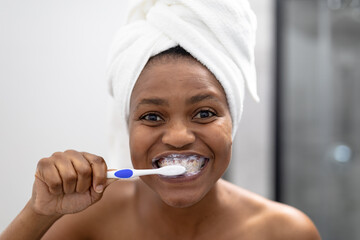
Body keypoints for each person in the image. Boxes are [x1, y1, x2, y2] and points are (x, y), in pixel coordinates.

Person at [1, 1, 321, 239]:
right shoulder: (83, 221)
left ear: (232, 123)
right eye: (152, 116)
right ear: (127, 126)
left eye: (205, 113)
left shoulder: (284, 232)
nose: (179, 136)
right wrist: (38, 214)